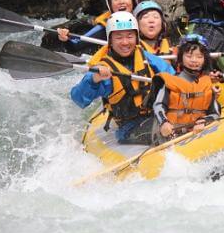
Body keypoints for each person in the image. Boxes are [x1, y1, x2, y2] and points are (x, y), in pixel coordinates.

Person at [70, 11, 175, 144]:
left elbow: (173, 78)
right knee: (163, 130)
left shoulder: (147, 59)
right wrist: (94, 79)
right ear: (110, 40)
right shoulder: (104, 70)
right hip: (130, 127)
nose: (125, 42)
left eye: (129, 36)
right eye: (119, 37)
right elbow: (78, 98)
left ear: (136, 38)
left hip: (158, 116)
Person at [150, 34, 220, 142]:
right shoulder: (170, 82)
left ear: (205, 60)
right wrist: (164, 123)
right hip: (170, 137)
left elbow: (215, 113)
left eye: (199, 57)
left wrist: (204, 121)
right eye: (189, 56)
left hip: (196, 136)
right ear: (181, 58)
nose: (194, 60)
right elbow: (158, 106)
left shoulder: (207, 85)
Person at [57, 0, 138, 54]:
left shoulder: (143, 19)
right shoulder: (105, 26)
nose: (121, 2)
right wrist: (66, 39)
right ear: (110, 5)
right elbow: (75, 46)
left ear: (133, 0)